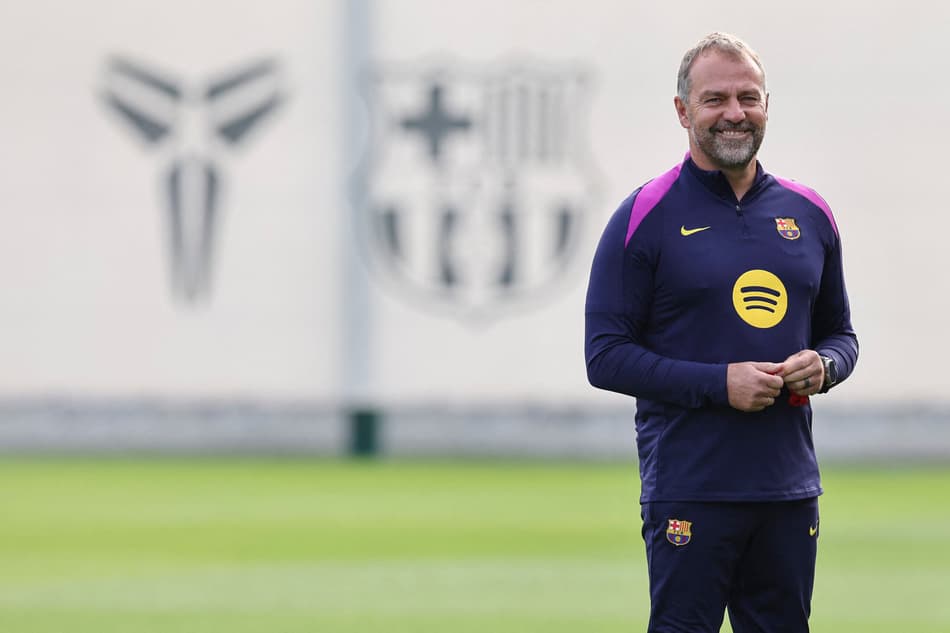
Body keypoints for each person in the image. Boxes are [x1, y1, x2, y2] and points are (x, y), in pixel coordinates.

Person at [584, 33, 858, 632]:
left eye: (748, 97)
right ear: (683, 111)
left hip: (787, 489)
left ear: (766, 105)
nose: (734, 113)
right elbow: (604, 358)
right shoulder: (642, 216)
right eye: (715, 100)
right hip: (689, 488)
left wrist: (826, 365)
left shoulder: (810, 214)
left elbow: (842, 334)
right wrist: (719, 384)